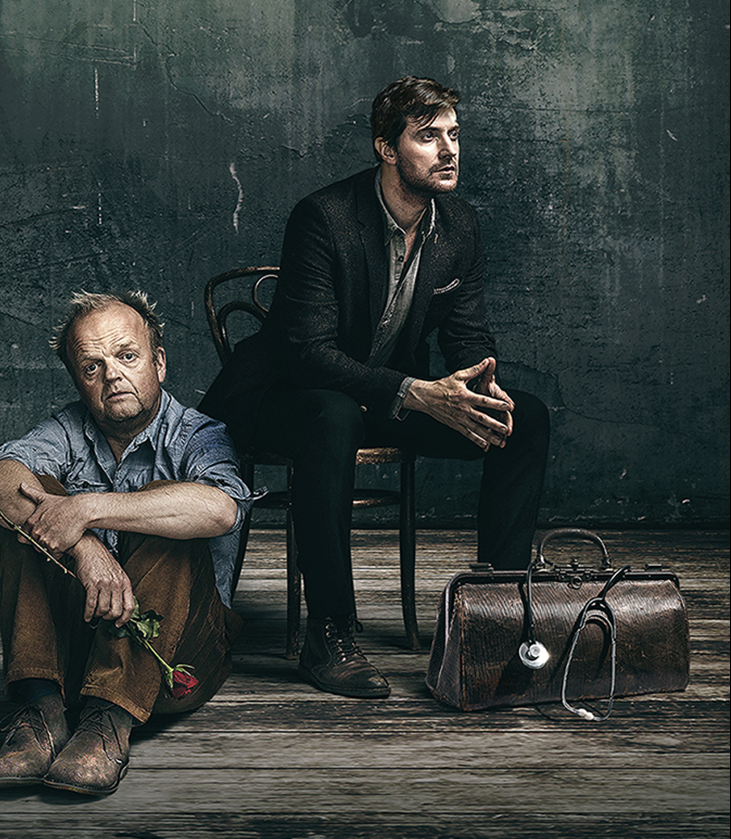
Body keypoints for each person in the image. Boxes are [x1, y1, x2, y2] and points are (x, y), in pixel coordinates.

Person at [200, 76, 549, 699]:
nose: (448, 151)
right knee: (333, 417)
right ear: (386, 149)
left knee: (526, 419)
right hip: (282, 398)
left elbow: (468, 339)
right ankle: (328, 634)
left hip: (380, 396)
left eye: (453, 135)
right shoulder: (324, 218)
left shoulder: (460, 226)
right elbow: (307, 354)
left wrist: (479, 387)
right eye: (427, 137)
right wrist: (418, 392)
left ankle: (499, 610)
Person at [0, 290, 250, 796]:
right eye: (92, 366)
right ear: (78, 380)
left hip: (182, 658)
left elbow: (221, 509)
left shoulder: (199, 434)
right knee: (28, 509)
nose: (111, 374)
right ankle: (41, 713)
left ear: (158, 362)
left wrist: (89, 508)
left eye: (127, 356)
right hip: (81, 651)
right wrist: (84, 545)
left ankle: (108, 723)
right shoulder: (68, 429)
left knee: (167, 509)